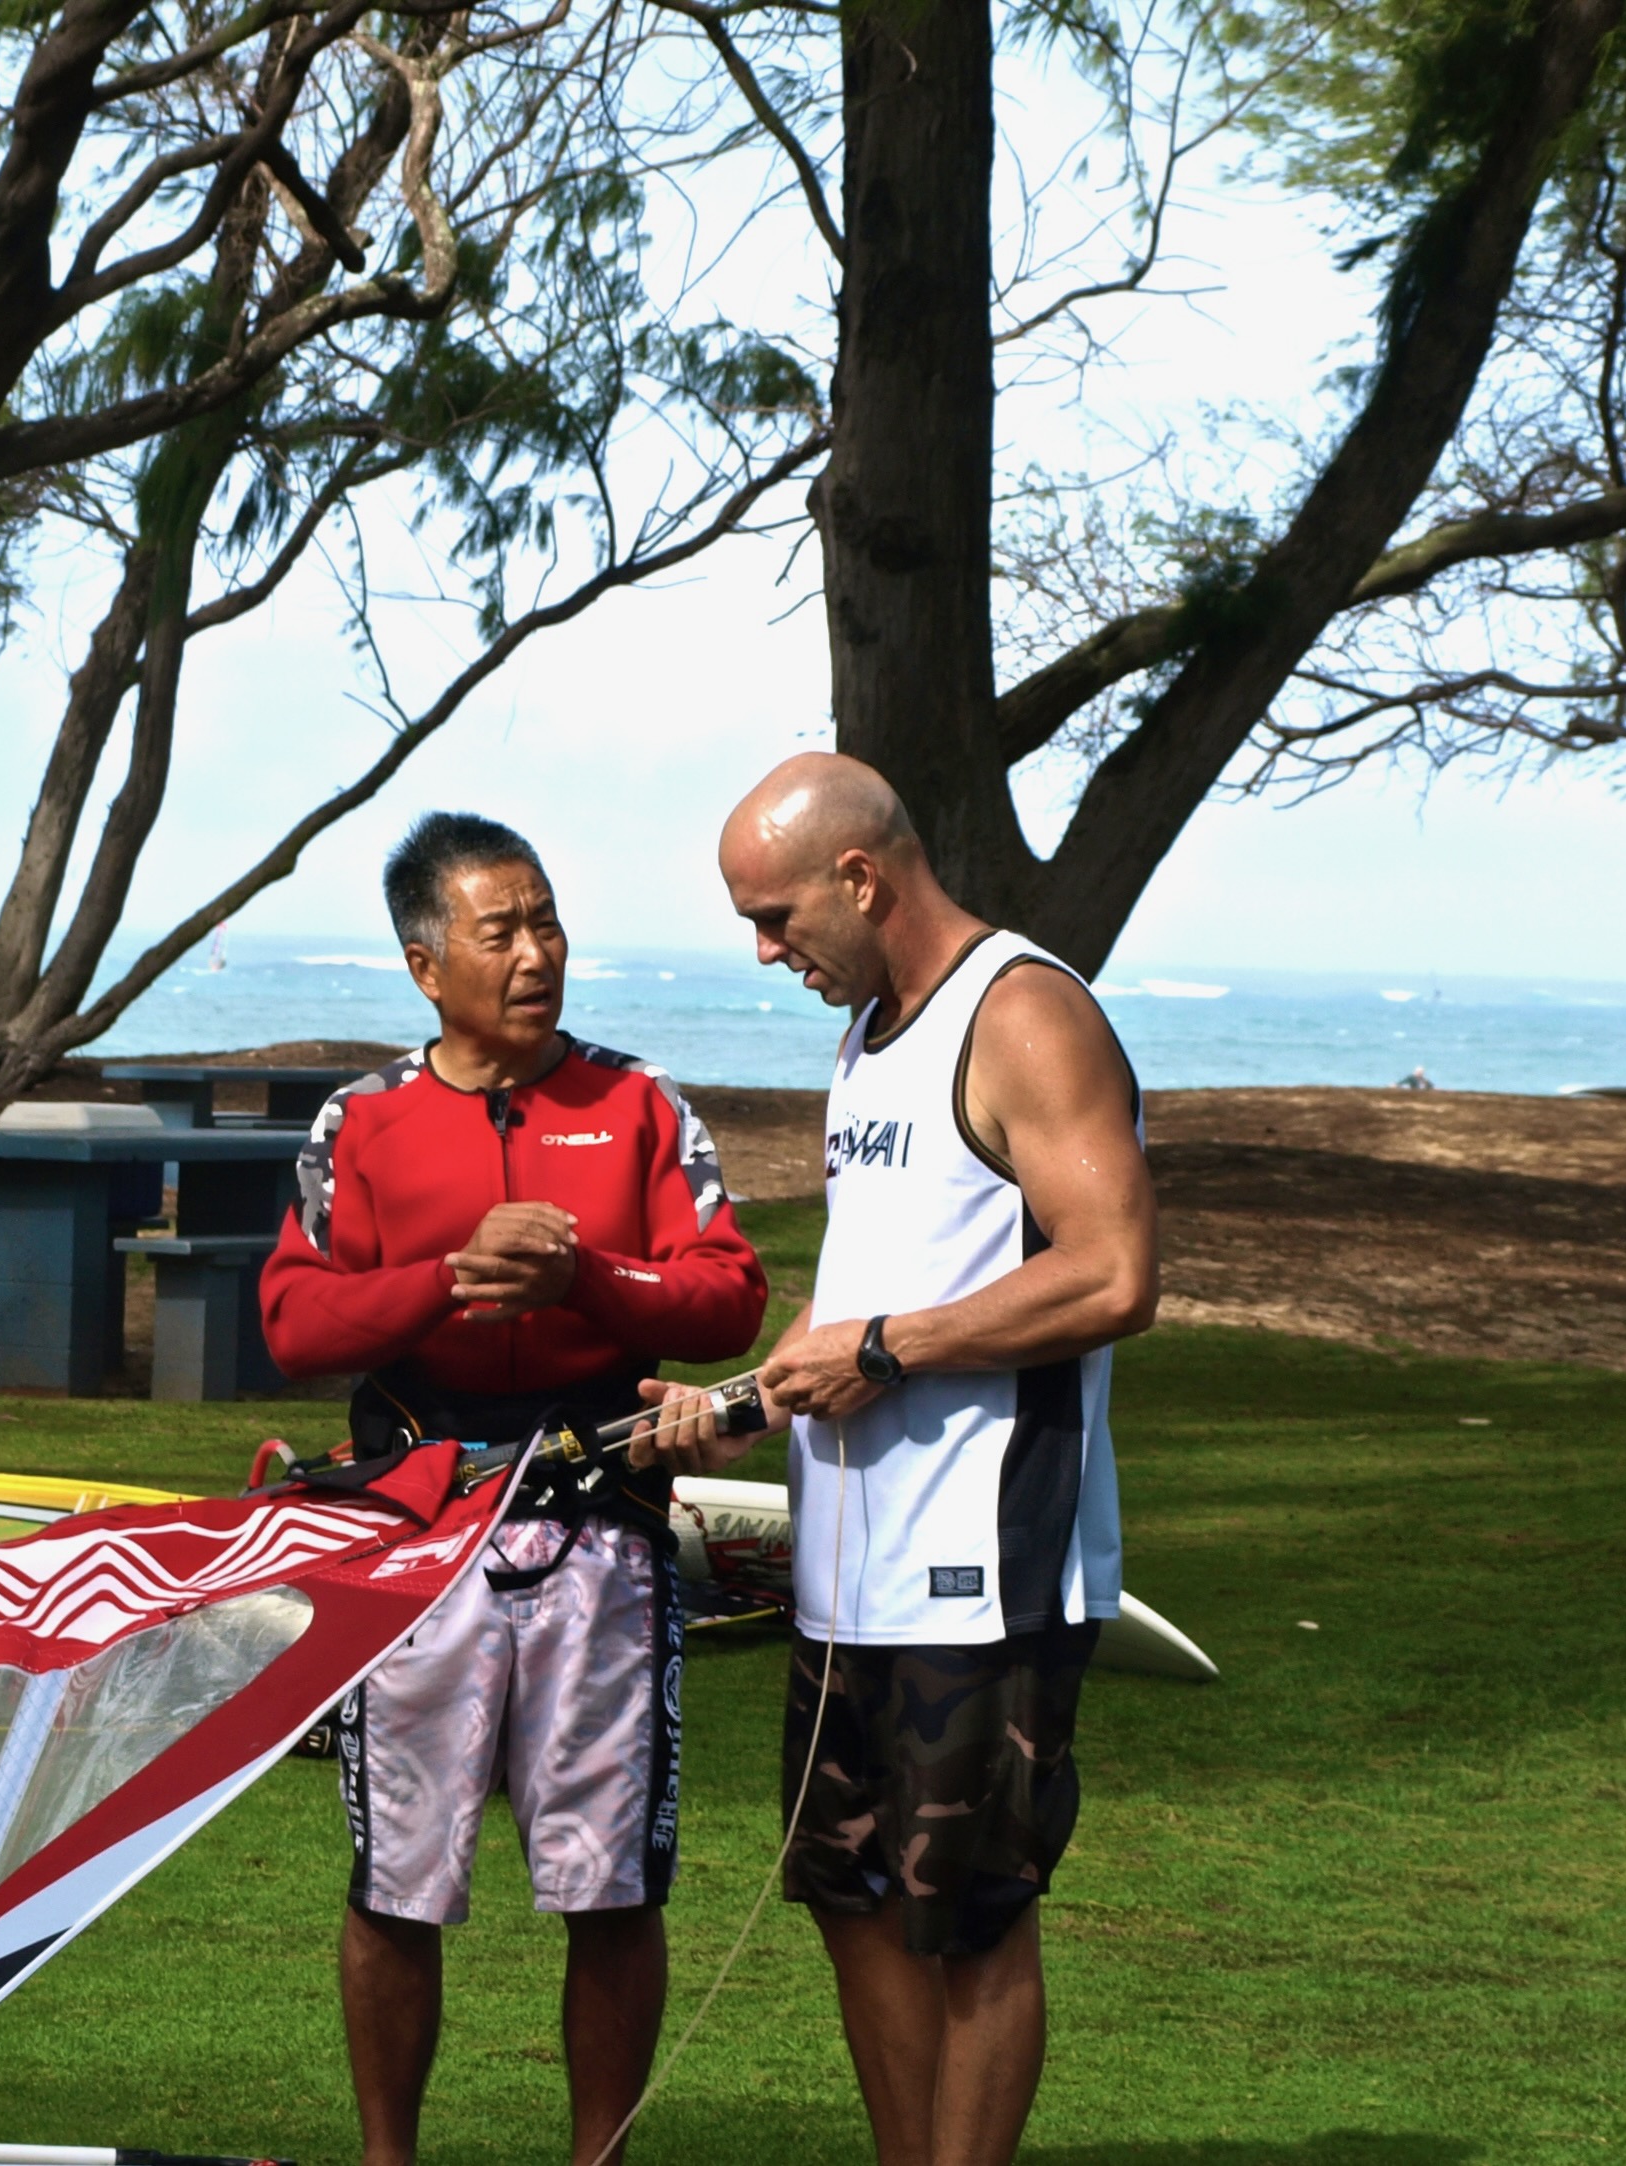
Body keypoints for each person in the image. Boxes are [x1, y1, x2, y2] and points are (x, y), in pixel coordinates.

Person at [632, 753, 1159, 2166]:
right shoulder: (870, 1027)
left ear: (860, 878)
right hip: (841, 1572)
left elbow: (1113, 1275)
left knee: (969, 1910)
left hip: (984, 1570)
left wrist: (882, 1352)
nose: (762, 949)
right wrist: (744, 1398)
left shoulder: (1025, 1014)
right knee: (847, 1893)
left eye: (775, 914)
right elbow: (870, 1279)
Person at [258, 811, 770, 2166]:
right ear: (427, 963)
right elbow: (294, 1324)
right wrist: (448, 1276)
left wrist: (585, 1279)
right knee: (397, 1882)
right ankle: (389, 2158)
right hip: (418, 1539)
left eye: (547, 921)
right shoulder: (361, 1121)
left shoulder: (638, 1102)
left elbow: (727, 1293)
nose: (538, 952)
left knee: (608, 1884)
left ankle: (595, 2155)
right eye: (503, 930)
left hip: (600, 1530)